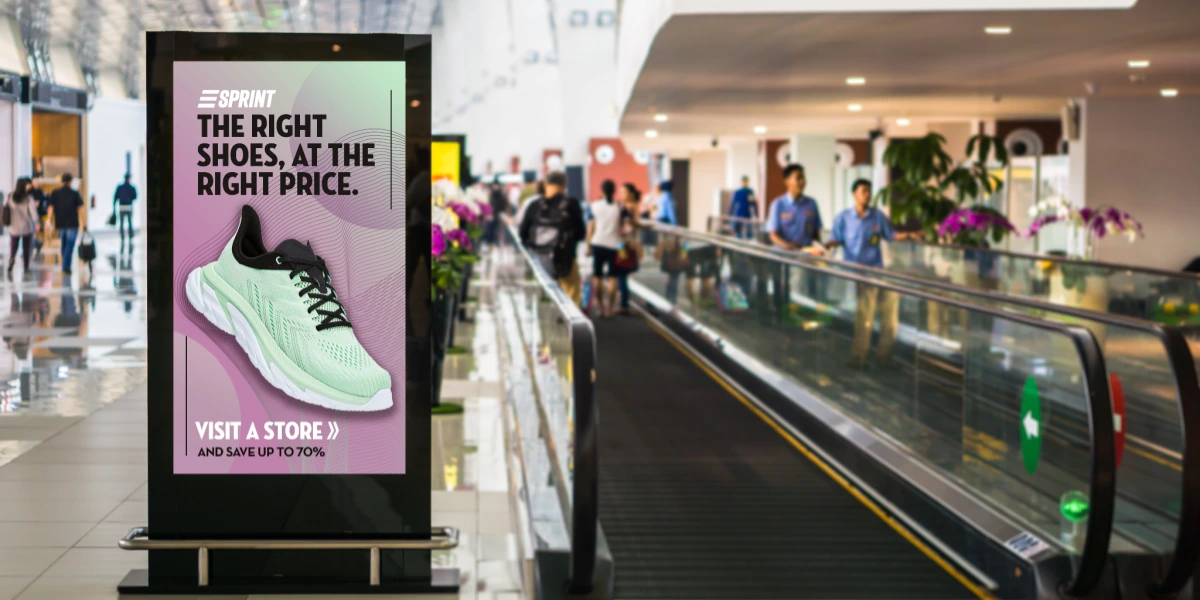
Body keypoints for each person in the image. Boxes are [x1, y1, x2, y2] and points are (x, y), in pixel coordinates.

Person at [827, 179, 911, 369]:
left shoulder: (877, 216)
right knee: (865, 318)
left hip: (878, 272)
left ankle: (884, 357)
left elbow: (891, 235)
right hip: (858, 275)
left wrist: (909, 235)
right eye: (863, 191)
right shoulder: (844, 218)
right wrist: (824, 247)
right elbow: (835, 239)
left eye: (869, 191)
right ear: (854, 194)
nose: (868, 195)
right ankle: (859, 357)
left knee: (889, 318)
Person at [519, 171, 586, 303]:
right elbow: (581, 233)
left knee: (545, 295)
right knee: (571, 294)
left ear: (545, 184)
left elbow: (522, 233)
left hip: (540, 259)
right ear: (565, 184)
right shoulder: (571, 204)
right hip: (566, 259)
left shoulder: (535, 205)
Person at [585, 180, 625, 318]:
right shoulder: (619, 206)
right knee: (613, 277)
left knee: (597, 276)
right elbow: (626, 225)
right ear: (614, 191)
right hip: (615, 245)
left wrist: (588, 245)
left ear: (601, 191)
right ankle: (610, 308)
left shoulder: (594, 206)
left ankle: (601, 308)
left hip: (598, 243)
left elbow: (590, 228)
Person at [766, 164, 823, 254]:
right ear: (787, 181)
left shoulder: (811, 203)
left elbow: (816, 233)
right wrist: (787, 246)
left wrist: (820, 249)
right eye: (798, 178)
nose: (802, 181)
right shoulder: (778, 205)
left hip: (806, 256)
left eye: (803, 178)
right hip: (784, 255)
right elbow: (773, 235)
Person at [614, 183, 643, 315]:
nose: (621, 195)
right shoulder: (622, 206)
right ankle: (623, 303)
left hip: (627, 244)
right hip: (622, 243)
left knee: (622, 273)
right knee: (621, 274)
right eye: (620, 192)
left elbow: (635, 225)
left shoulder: (632, 207)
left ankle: (624, 304)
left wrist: (637, 244)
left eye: (624, 192)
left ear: (630, 194)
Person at [49, 173, 85, 276]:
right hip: (72, 223)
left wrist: (49, 220)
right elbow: (80, 209)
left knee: (64, 245)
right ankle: (66, 267)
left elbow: (51, 208)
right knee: (69, 245)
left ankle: (65, 265)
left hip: (60, 223)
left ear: (61, 181)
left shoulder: (55, 193)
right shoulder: (75, 193)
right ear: (70, 182)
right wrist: (84, 223)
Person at [4, 177, 39, 275]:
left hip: (14, 227)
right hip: (26, 227)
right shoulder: (28, 198)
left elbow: (5, 207)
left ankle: (12, 259)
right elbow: (33, 212)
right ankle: (26, 266)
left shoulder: (10, 196)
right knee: (26, 248)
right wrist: (36, 222)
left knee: (13, 246)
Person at [113, 174, 137, 247]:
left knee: (122, 223)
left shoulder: (120, 187)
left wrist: (114, 207)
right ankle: (130, 236)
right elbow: (135, 196)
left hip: (122, 206)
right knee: (129, 222)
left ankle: (123, 236)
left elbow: (115, 197)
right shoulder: (131, 188)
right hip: (128, 206)